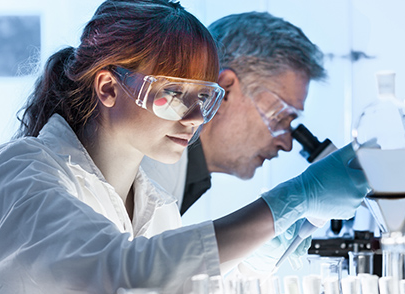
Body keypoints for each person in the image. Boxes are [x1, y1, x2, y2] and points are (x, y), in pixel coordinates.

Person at [0, 0, 367, 294]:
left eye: (204, 97)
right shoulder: (20, 170)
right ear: (109, 87)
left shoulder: (154, 204)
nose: (194, 117)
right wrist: (284, 203)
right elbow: (126, 284)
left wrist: (257, 260)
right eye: (173, 92)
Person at [140, 11, 326, 272]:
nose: (287, 143)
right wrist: (276, 211)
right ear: (224, 89)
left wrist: (244, 257)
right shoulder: (152, 160)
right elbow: (141, 279)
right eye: (281, 117)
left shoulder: (185, 172)